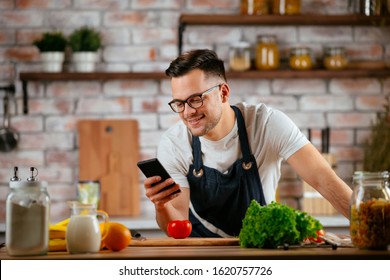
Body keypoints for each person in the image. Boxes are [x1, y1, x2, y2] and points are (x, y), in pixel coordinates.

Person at [143, 49, 352, 237]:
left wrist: (371, 226)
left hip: (261, 250)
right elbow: (177, 222)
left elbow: (324, 180)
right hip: (202, 253)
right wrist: (161, 205)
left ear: (223, 93)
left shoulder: (267, 124)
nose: (188, 112)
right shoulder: (174, 144)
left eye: (196, 99)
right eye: (179, 103)